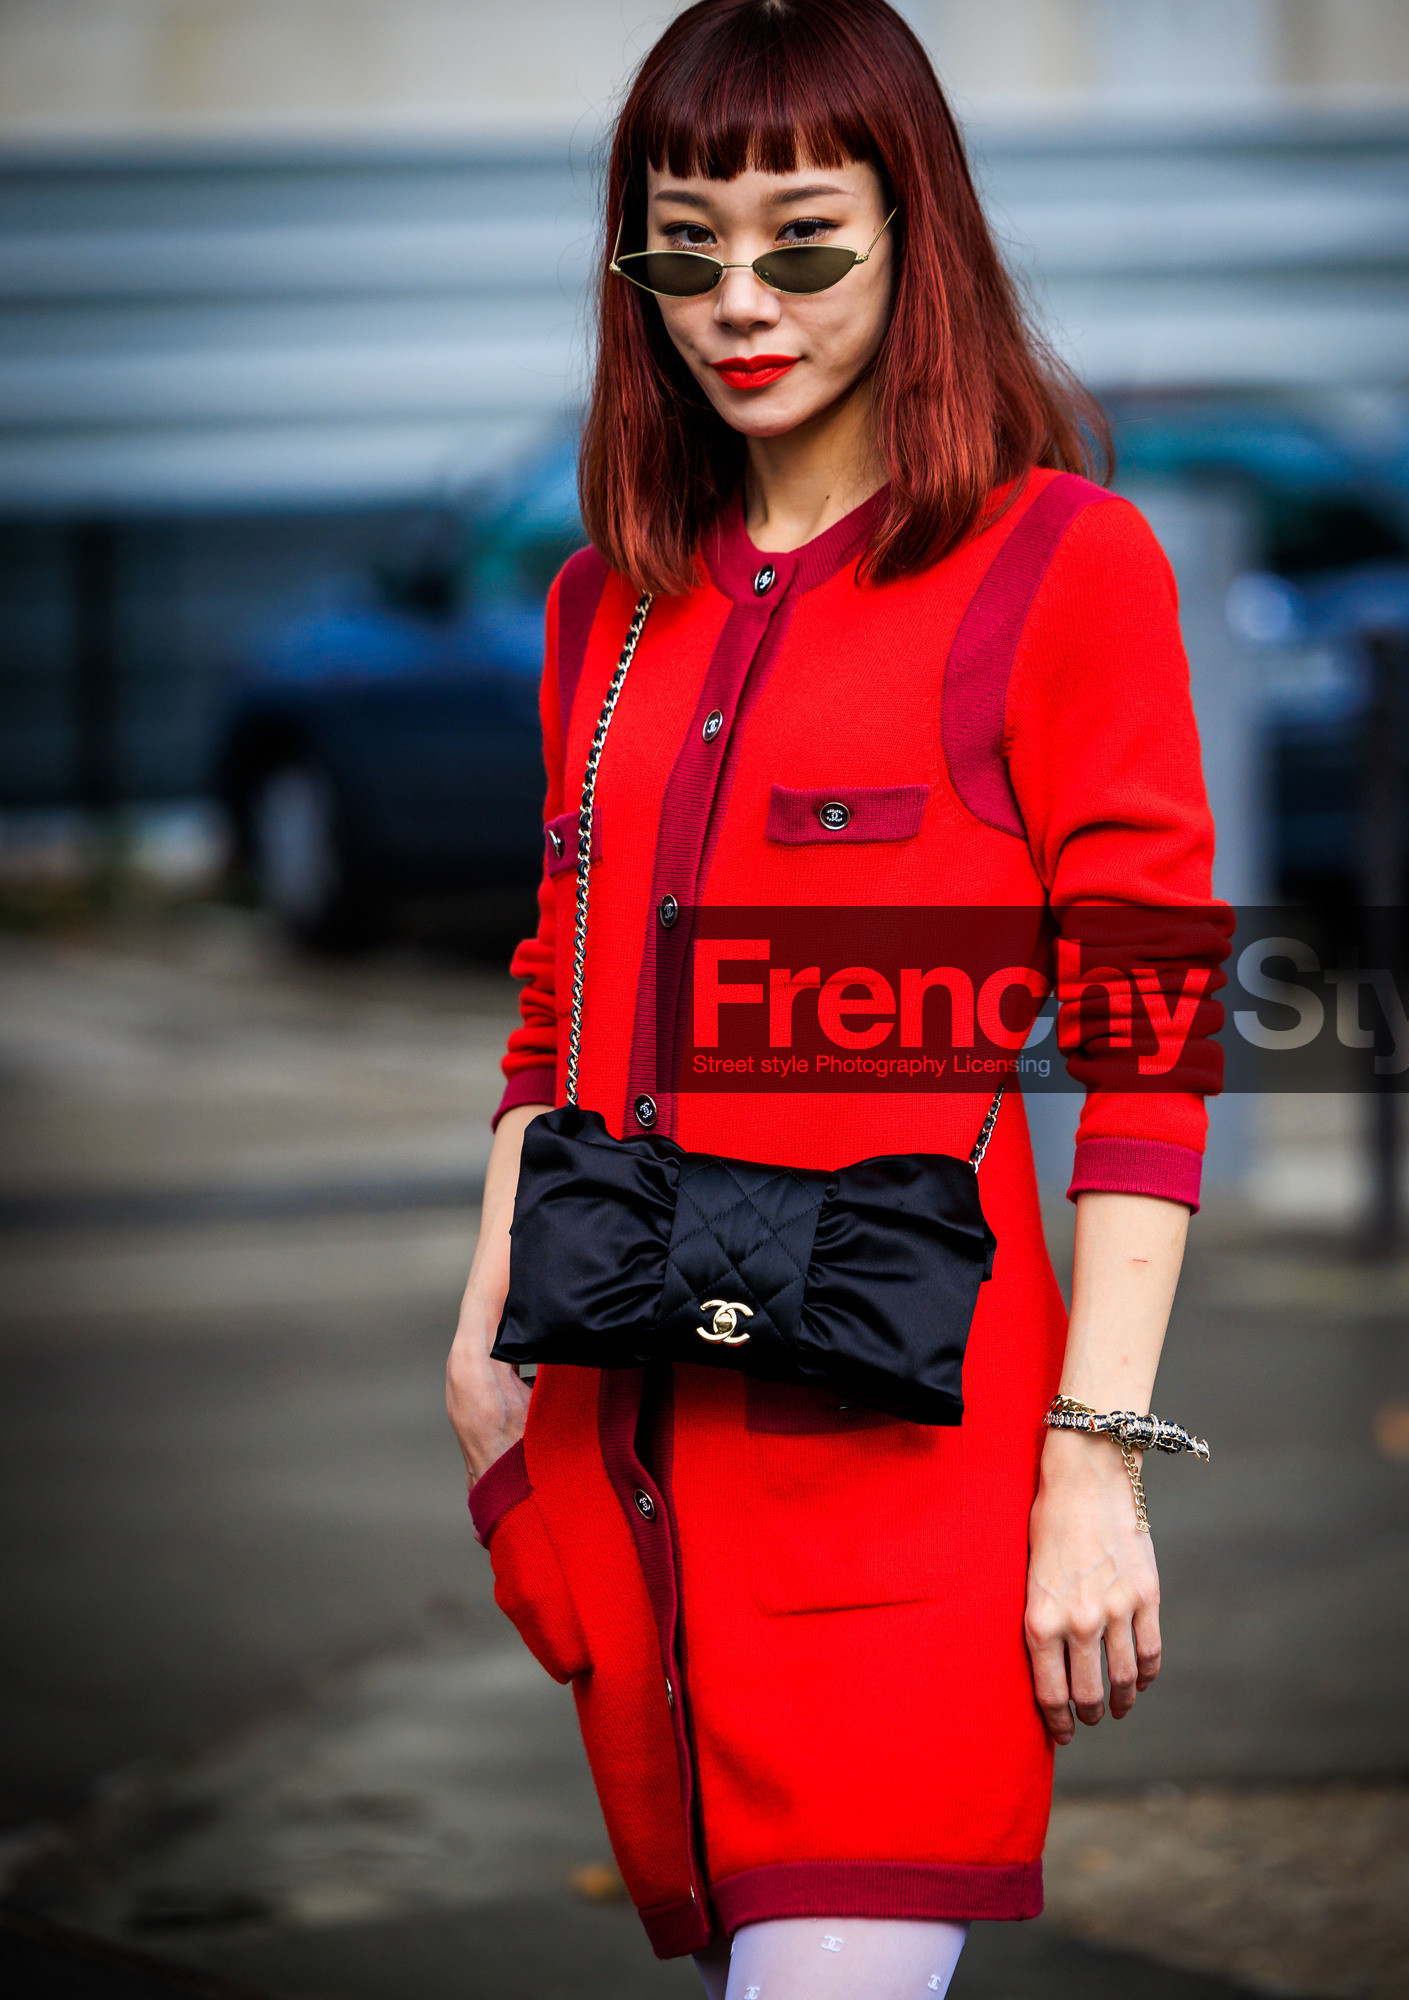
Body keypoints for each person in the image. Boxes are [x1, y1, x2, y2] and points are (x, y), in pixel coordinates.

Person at [446, 3, 1223, 1994]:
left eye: (799, 239)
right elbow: (556, 1005)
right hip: (631, 1477)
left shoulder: (1058, 569)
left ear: (914, 231)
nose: (736, 301)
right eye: (676, 245)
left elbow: (1146, 1037)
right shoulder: (597, 605)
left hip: (905, 1507)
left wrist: (1094, 1458)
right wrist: (480, 1364)